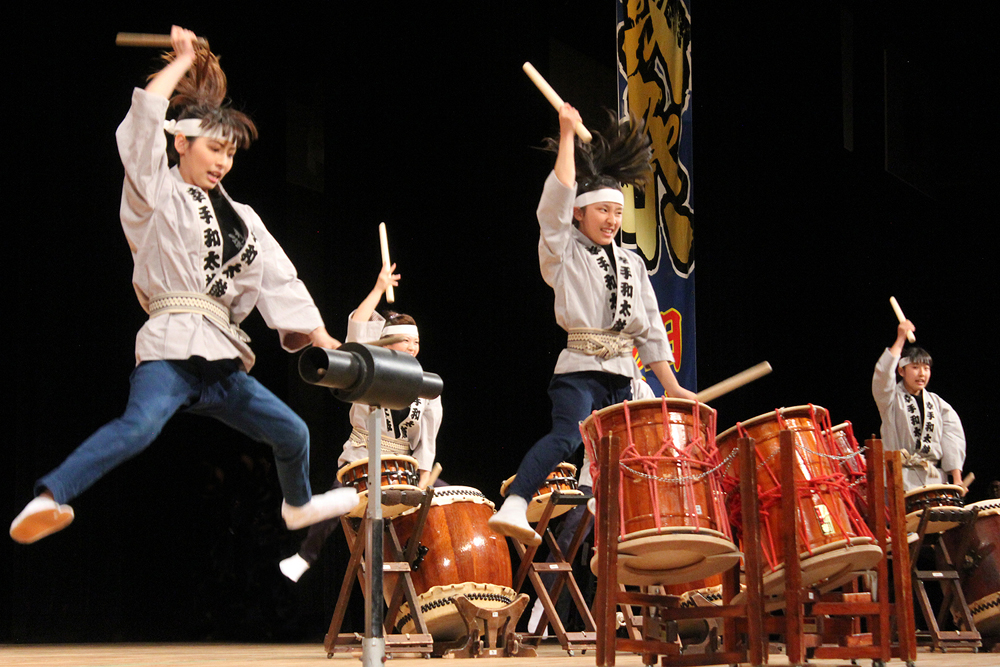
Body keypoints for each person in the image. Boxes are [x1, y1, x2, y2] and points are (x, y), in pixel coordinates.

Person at [9, 26, 357, 545]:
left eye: (231, 154)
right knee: (139, 427)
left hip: (220, 355)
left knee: (294, 432)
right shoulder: (155, 194)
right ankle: (49, 498)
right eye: (214, 149)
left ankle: (298, 507)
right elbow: (144, 119)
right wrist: (183, 60)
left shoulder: (242, 216)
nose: (222, 162)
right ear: (180, 142)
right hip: (172, 345)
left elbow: (280, 277)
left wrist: (320, 335)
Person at [489, 104, 696, 546]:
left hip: (623, 376)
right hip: (581, 369)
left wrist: (672, 386)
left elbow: (650, 330)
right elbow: (554, 206)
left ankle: (617, 552)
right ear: (580, 213)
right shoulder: (563, 254)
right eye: (602, 211)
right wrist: (566, 135)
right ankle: (514, 503)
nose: (611, 221)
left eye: (617, 213)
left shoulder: (632, 263)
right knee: (566, 436)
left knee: (626, 464)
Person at [279, 263, 443, 582]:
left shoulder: (428, 388)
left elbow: (427, 445)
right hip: (363, 458)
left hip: (403, 470)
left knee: (455, 499)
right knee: (339, 499)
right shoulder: (367, 371)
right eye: (406, 341)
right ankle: (305, 555)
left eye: (416, 342)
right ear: (386, 344)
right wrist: (380, 288)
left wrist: (422, 485)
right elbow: (359, 327)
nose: (413, 348)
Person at [872, 319, 966, 492]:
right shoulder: (890, 399)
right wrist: (900, 338)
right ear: (901, 371)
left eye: (926, 368)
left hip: (933, 479)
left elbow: (953, 437)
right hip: (898, 480)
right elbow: (883, 376)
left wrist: (957, 478)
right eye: (915, 367)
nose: (922, 373)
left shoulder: (938, 404)